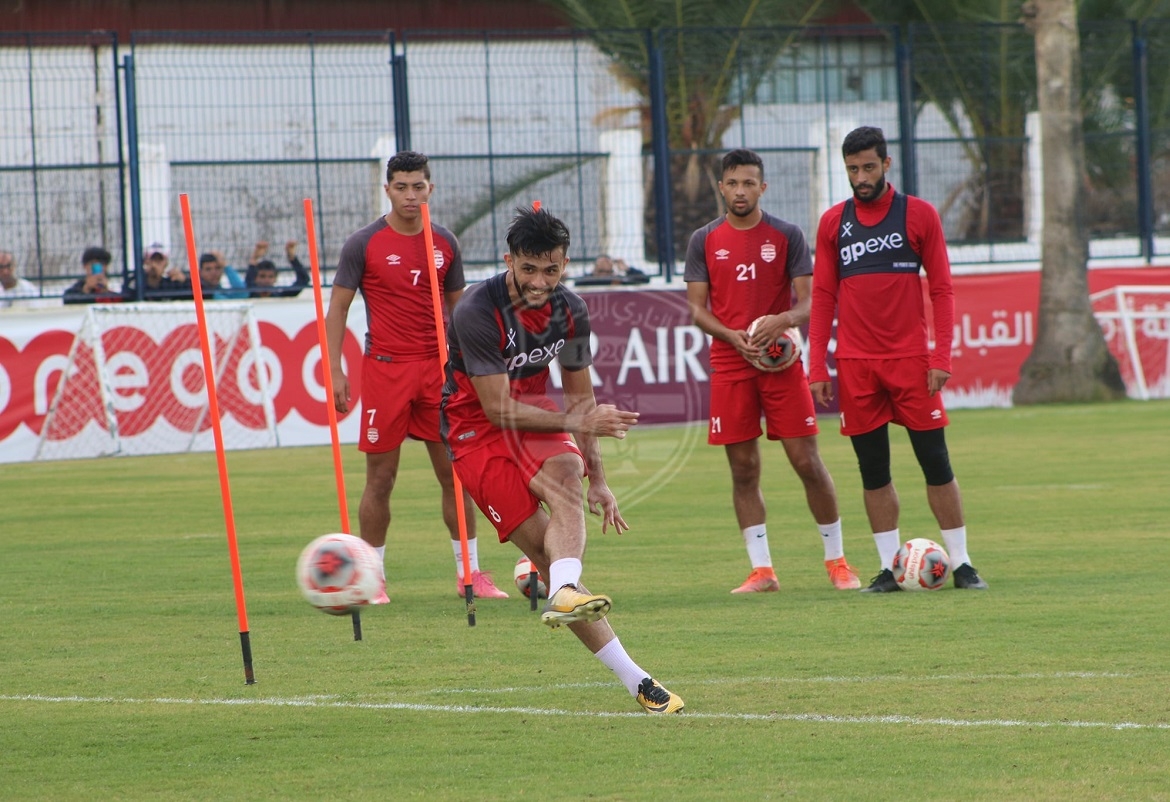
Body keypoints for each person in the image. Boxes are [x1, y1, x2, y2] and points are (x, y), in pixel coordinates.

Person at [441, 205, 683, 714]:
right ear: (509, 260)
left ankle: (566, 589)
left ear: (565, 264)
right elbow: (497, 408)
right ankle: (633, 676)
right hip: (475, 432)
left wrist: (599, 477)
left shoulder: (571, 310)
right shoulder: (476, 312)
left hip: (536, 416)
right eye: (528, 268)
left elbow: (580, 398)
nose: (539, 280)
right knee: (549, 559)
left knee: (568, 481)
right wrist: (580, 422)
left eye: (551, 269)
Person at [807, 126, 988, 593]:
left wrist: (940, 354)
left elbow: (942, 289)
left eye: (868, 167)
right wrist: (816, 366)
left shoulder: (919, 215)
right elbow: (823, 296)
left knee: (935, 462)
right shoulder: (832, 223)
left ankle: (964, 563)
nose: (860, 177)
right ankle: (890, 568)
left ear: (886, 164)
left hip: (911, 362)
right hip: (856, 364)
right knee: (873, 470)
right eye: (852, 169)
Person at [325, 150, 509, 602]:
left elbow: (463, 311)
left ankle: (471, 573)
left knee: (456, 474)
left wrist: (473, 366)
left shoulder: (445, 242)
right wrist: (335, 370)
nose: (410, 195)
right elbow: (338, 308)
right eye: (401, 187)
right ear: (387, 189)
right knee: (381, 479)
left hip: (440, 374)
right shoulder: (362, 243)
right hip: (386, 370)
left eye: (418, 186)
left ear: (431, 188)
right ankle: (371, 578)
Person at [684, 148, 860, 594]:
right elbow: (697, 311)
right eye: (733, 183)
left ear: (763, 187)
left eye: (749, 183)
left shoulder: (786, 234)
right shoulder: (703, 239)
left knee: (807, 462)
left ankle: (837, 561)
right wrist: (732, 337)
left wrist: (781, 322)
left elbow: (810, 299)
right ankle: (762, 571)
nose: (740, 191)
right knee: (743, 469)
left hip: (781, 364)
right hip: (730, 362)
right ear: (721, 187)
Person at [122, 242, 192, 301]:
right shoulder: (136, 283)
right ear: (145, 262)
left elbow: (192, 298)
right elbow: (125, 296)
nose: (154, 265)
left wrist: (185, 281)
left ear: (166, 263)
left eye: (158, 261)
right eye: (152, 260)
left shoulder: (170, 284)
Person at [245, 240, 310, 298]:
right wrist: (254, 258)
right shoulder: (248, 294)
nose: (266, 280)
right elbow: (248, 282)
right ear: (255, 278)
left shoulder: (280, 296)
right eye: (262, 276)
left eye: (271, 277)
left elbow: (303, 280)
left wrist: (292, 257)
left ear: (275, 279)